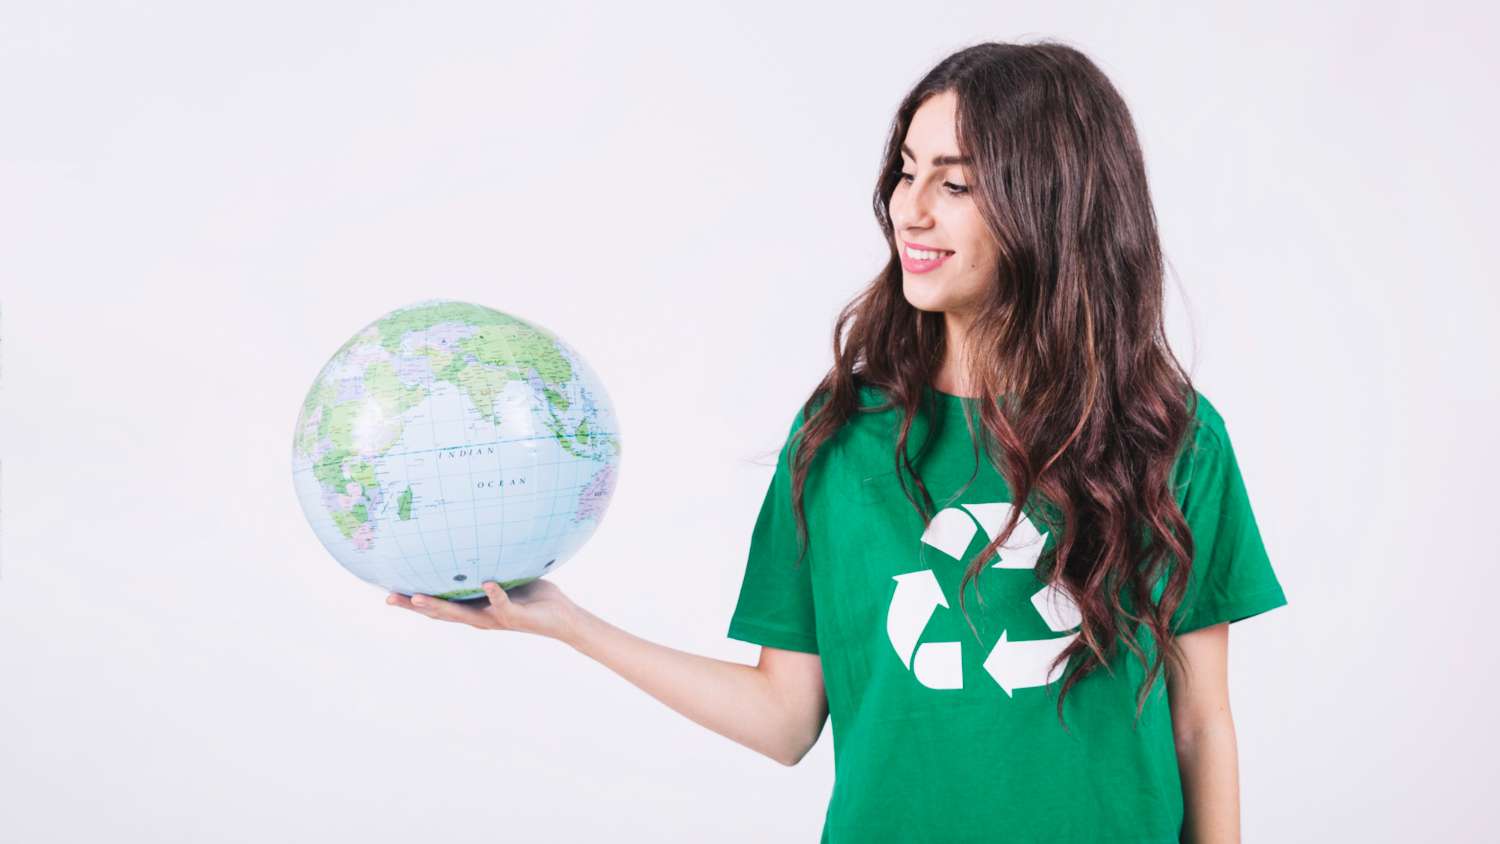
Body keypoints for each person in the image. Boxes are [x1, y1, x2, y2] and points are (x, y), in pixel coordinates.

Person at [386, 40, 1288, 844]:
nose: (912, 209)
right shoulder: (840, 437)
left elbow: (1199, 724)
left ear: (1052, 203)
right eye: (906, 171)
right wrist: (568, 624)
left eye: (957, 182)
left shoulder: (1168, 438)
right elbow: (785, 719)